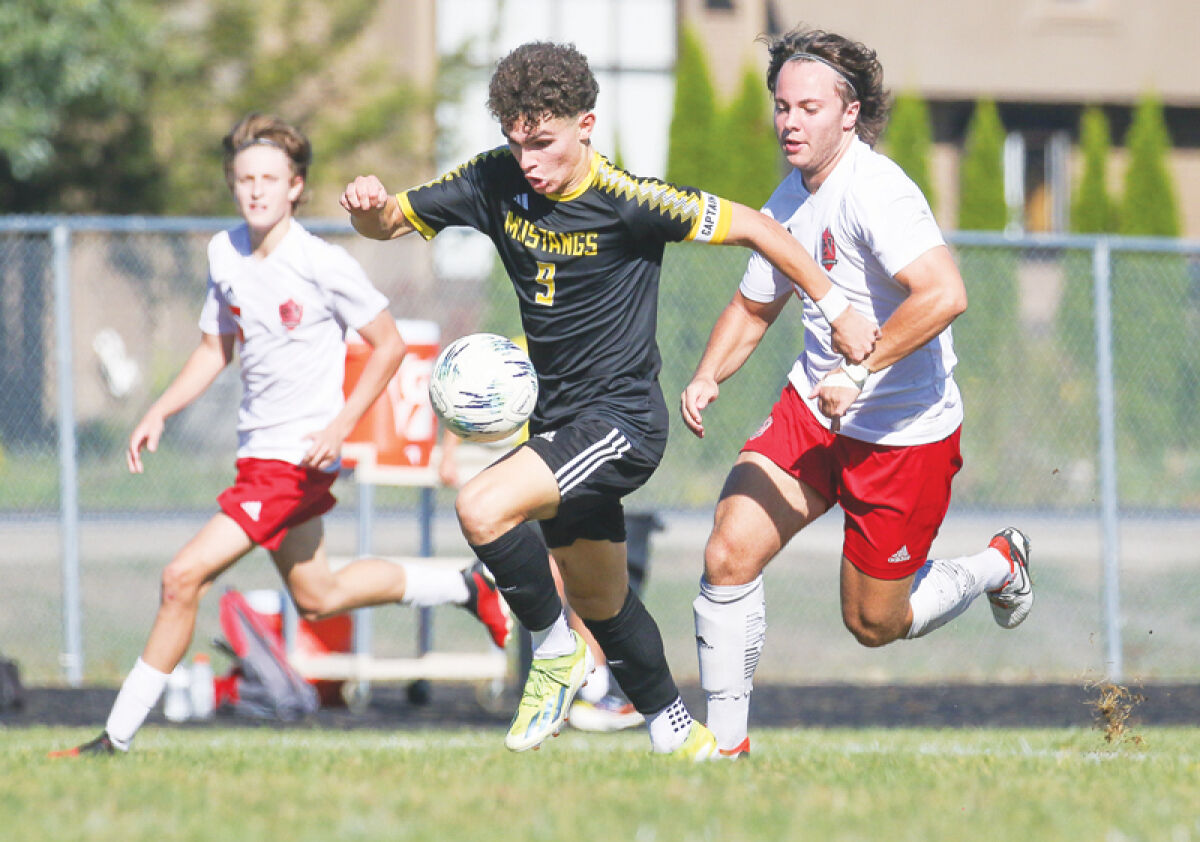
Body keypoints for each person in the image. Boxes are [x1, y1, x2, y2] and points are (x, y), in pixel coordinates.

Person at [340, 41, 878, 760]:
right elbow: (389, 224)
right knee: (604, 600)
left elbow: (756, 225)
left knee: (481, 504)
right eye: (516, 141)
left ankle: (556, 654)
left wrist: (836, 303)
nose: (528, 159)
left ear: (585, 124)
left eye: (543, 141)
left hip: (621, 425)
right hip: (560, 427)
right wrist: (367, 210)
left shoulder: (631, 202)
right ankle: (677, 734)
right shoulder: (493, 181)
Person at [52, 113, 510, 757]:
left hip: (296, 462)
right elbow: (216, 349)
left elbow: (389, 347)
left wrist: (340, 425)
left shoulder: (322, 263)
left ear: (296, 187)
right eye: (245, 179)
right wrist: (160, 410)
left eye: (270, 178)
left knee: (182, 577)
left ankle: (114, 736)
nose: (257, 189)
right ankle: (466, 585)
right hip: (257, 458)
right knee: (318, 595)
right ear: (234, 185)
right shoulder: (224, 253)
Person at [682, 27, 1034, 759]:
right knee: (728, 553)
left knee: (874, 623)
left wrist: (860, 371)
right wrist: (709, 374)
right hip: (811, 413)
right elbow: (754, 308)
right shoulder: (787, 198)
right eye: (782, 107)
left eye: (808, 107)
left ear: (851, 113)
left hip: (903, 434)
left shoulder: (877, 191)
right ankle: (724, 749)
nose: (790, 122)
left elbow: (944, 293)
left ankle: (999, 563)